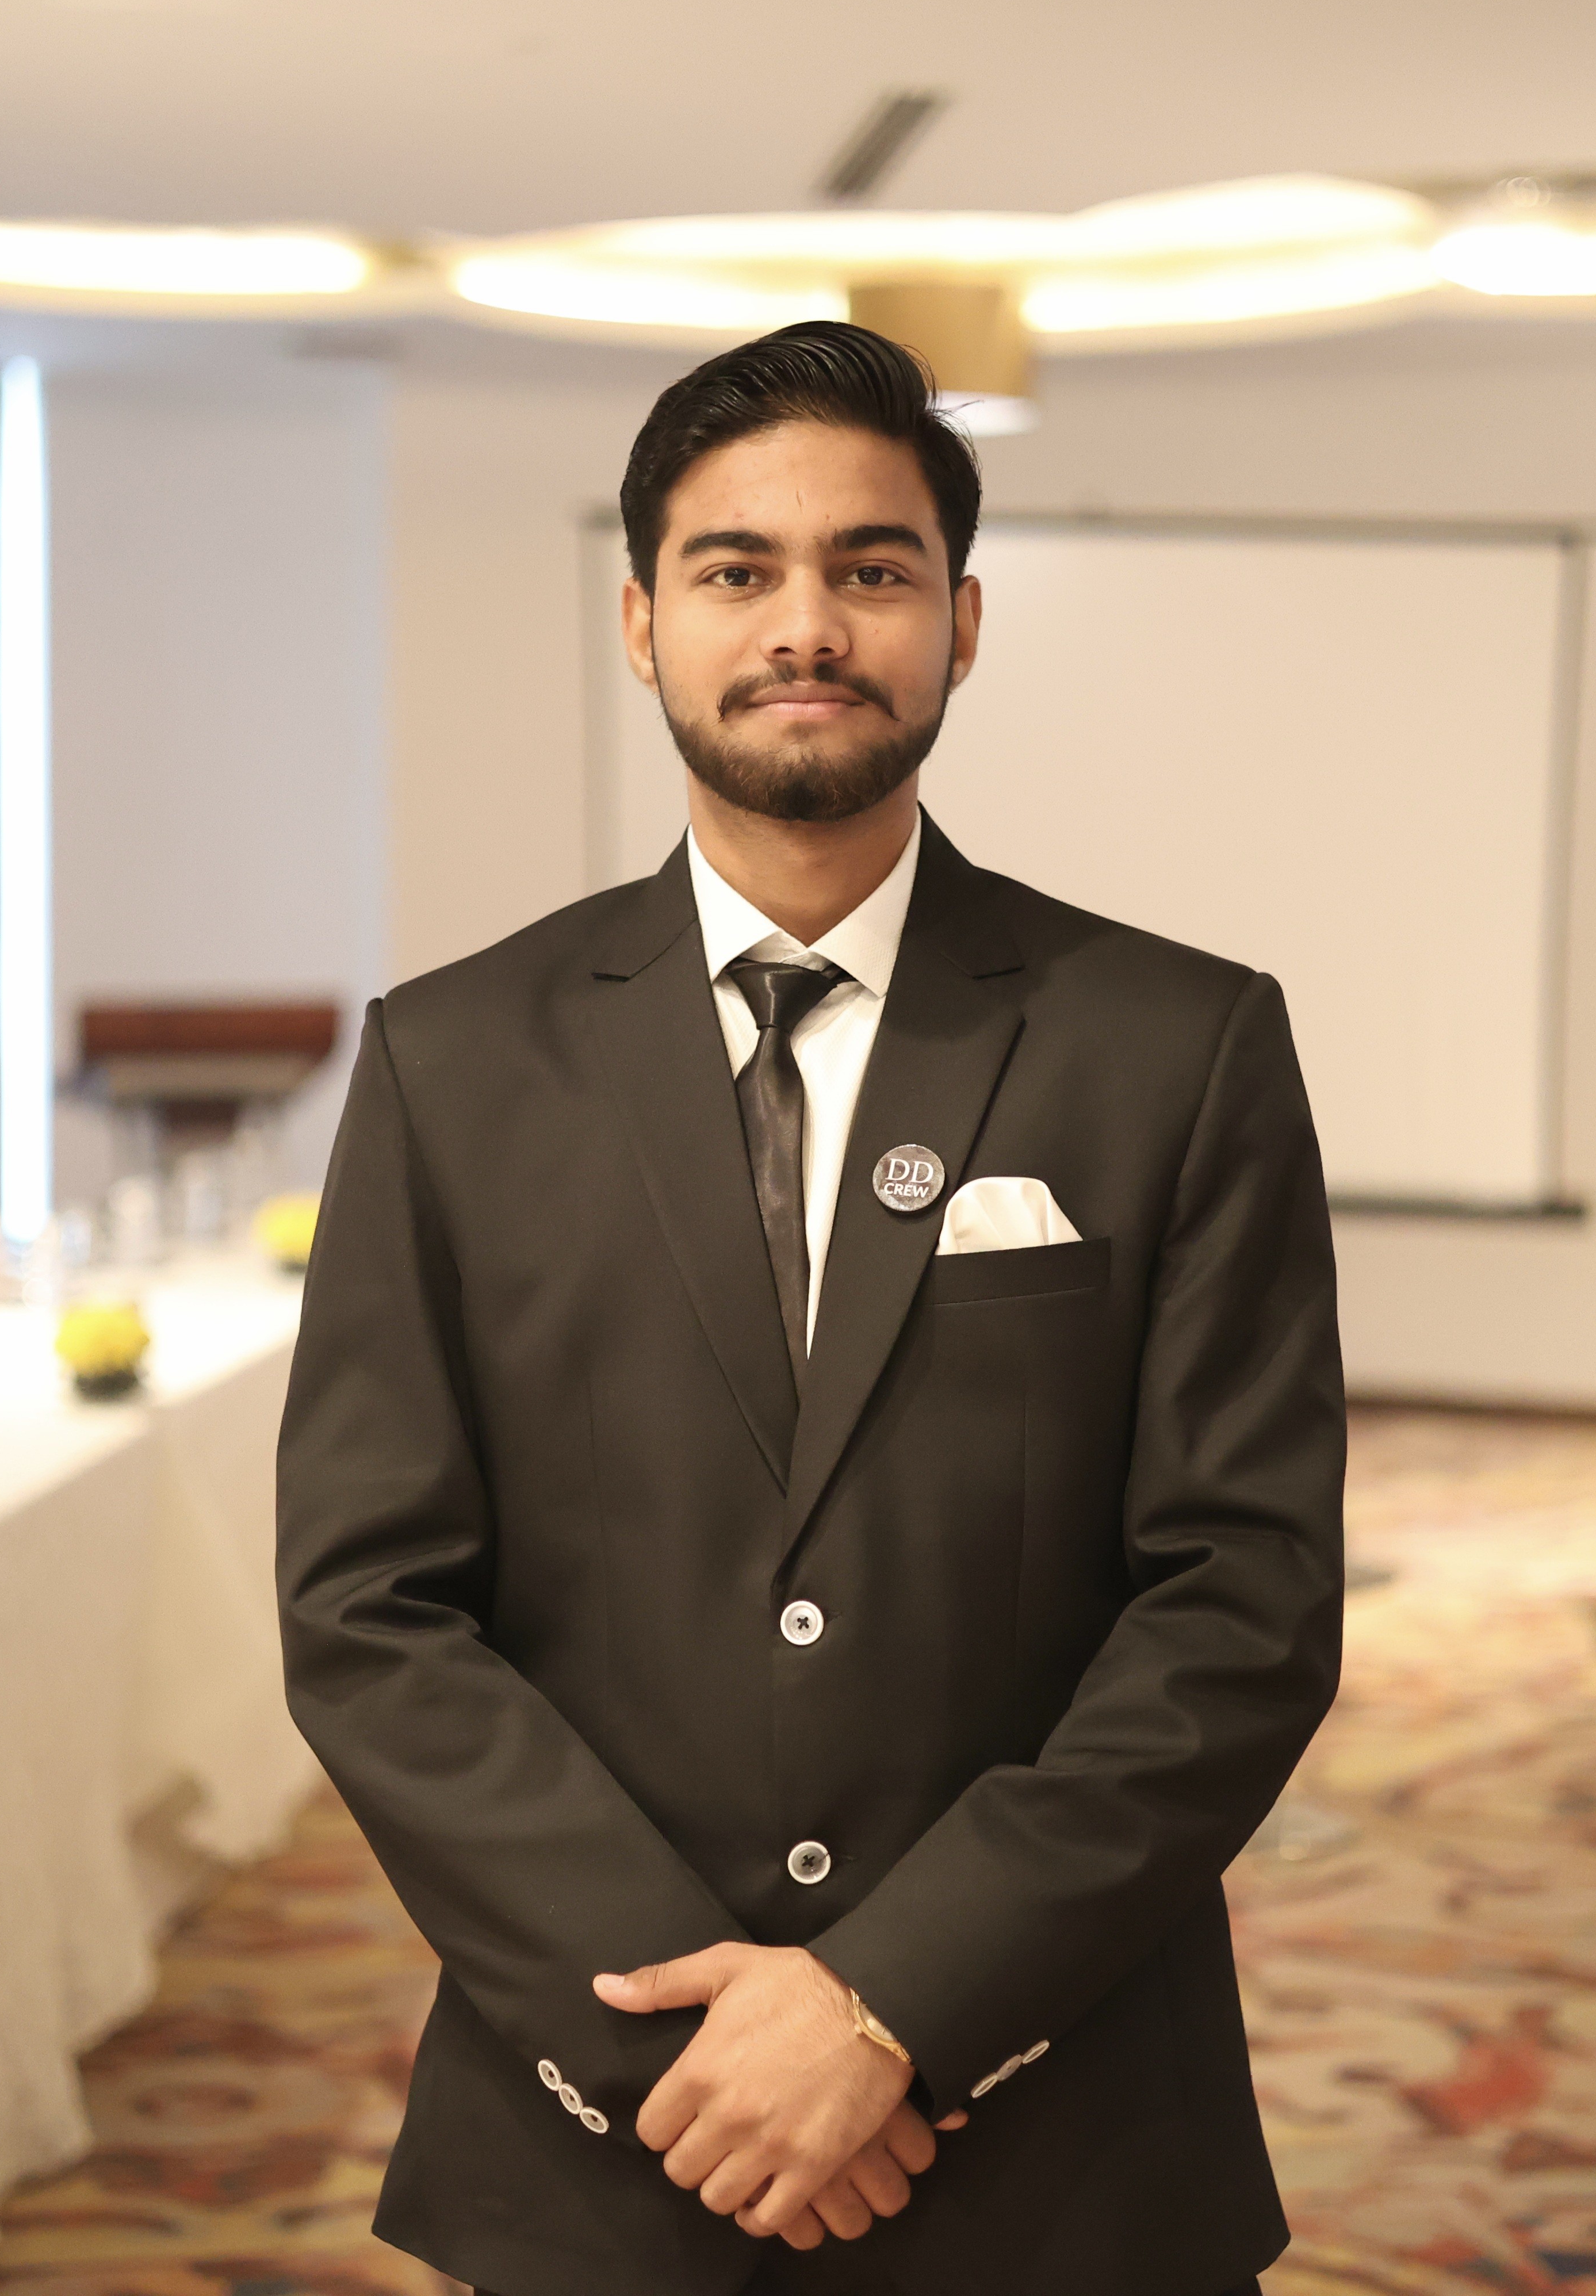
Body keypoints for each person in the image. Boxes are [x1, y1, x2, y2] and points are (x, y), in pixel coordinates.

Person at [277, 322, 1346, 2296]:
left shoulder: (1178, 1047)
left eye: (871, 569)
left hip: (1061, 2138)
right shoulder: (453, 1062)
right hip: (607, 2151)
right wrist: (689, 2053)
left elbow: (1242, 1603)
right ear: (638, 619)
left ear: (961, 618)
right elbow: (370, 1615)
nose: (808, 624)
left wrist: (891, 2008)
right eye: (735, 569)